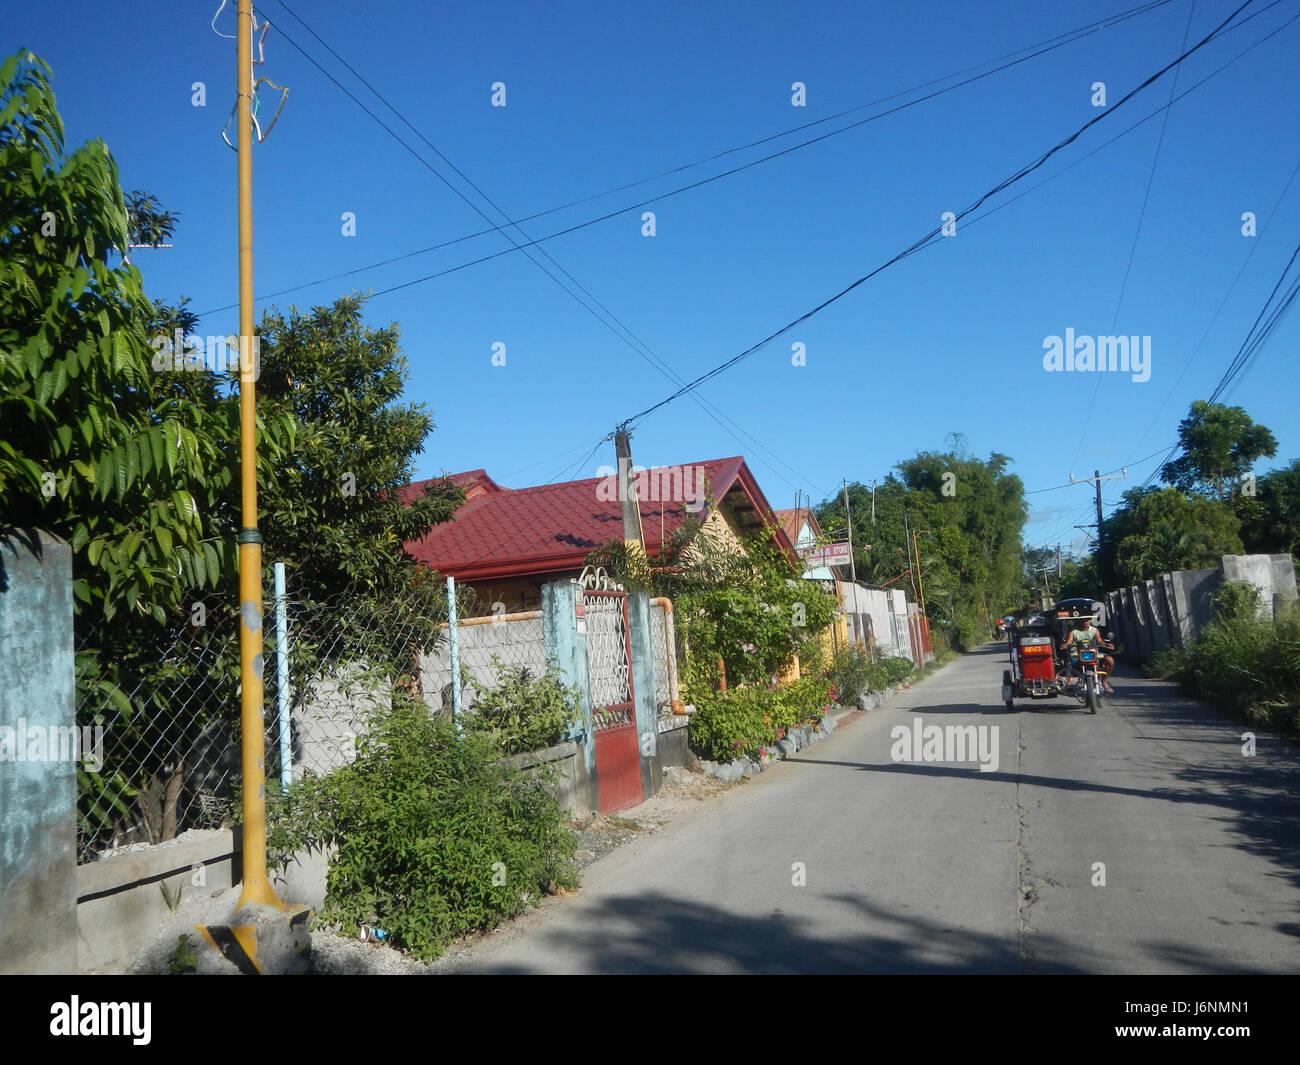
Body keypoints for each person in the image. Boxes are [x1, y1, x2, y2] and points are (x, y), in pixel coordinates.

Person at [1061, 615, 1115, 694]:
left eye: (1087, 620)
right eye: (1083, 620)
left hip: (1093, 654)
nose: (1085, 622)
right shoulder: (1073, 632)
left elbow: (1099, 640)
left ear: (1090, 621)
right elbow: (1069, 641)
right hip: (1077, 655)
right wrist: (1065, 645)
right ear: (1080, 621)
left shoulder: (1094, 630)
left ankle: (1104, 681)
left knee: (1110, 660)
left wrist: (1106, 644)